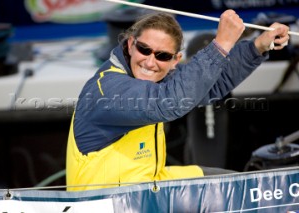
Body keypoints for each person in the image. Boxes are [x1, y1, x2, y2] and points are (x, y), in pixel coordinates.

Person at [66, 10, 290, 191]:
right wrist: (220, 44)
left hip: (147, 186)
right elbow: (169, 102)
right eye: (145, 50)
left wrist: (257, 46)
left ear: (175, 60)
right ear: (130, 45)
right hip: (105, 201)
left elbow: (210, 84)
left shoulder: (156, 81)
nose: (151, 62)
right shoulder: (107, 88)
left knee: (241, 187)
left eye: (162, 56)